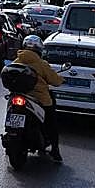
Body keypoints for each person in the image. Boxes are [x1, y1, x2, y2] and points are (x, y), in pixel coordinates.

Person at [13, 34, 65, 162]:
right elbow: (55, 81)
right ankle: (55, 150)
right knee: (51, 123)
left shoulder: (17, 61)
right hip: (40, 99)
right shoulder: (41, 64)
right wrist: (61, 80)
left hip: (18, 96)